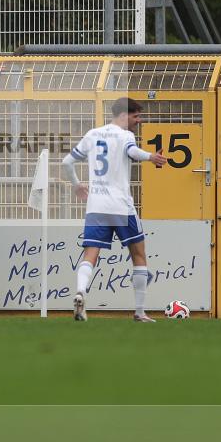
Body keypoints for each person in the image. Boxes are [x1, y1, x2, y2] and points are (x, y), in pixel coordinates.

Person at [61, 97, 167, 323]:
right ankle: (139, 312)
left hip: (96, 206)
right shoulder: (125, 135)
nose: (138, 121)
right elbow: (133, 152)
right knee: (138, 255)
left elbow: (66, 163)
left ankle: (80, 291)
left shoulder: (92, 134)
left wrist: (77, 185)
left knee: (90, 254)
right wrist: (151, 157)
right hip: (121, 206)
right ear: (123, 115)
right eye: (136, 116)